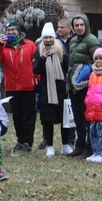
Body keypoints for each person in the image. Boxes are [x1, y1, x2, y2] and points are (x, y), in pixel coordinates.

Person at [0, 20, 37, 152]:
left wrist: (37, 81)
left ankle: (28, 142)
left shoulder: (30, 45)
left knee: (29, 117)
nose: (11, 32)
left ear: (18, 31)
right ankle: (20, 141)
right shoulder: (3, 46)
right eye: (8, 30)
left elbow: (36, 63)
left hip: (28, 87)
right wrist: (0, 44)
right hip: (12, 88)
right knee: (17, 116)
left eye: (13, 30)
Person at [33, 22, 72, 157]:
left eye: (50, 37)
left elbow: (68, 67)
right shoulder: (38, 51)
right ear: (43, 39)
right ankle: (50, 146)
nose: (48, 40)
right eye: (46, 38)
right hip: (46, 90)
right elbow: (36, 69)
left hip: (61, 89)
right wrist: (43, 58)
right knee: (47, 119)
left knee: (64, 119)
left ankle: (65, 145)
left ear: (54, 38)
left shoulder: (61, 50)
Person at [65, 14, 100, 157]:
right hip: (73, 85)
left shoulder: (92, 40)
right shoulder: (73, 41)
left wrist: (85, 71)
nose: (79, 27)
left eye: (81, 25)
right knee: (78, 118)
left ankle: (89, 147)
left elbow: (98, 61)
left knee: (87, 118)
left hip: (86, 86)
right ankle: (79, 146)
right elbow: (71, 63)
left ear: (86, 25)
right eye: (76, 25)